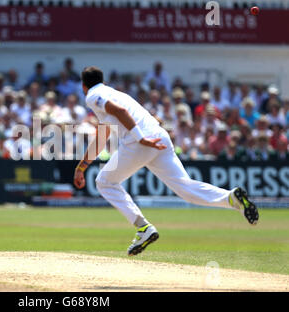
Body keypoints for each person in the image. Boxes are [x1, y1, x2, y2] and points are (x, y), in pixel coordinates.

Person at [73, 66, 259, 256]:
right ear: (103, 81)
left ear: (84, 86)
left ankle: (143, 228)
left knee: (104, 182)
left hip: (140, 142)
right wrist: (82, 167)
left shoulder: (92, 95)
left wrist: (140, 138)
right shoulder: (116, 94)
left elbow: (119, 111)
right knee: (186, 189)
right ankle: (230, 198)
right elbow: (102, 137)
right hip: (160, 137)